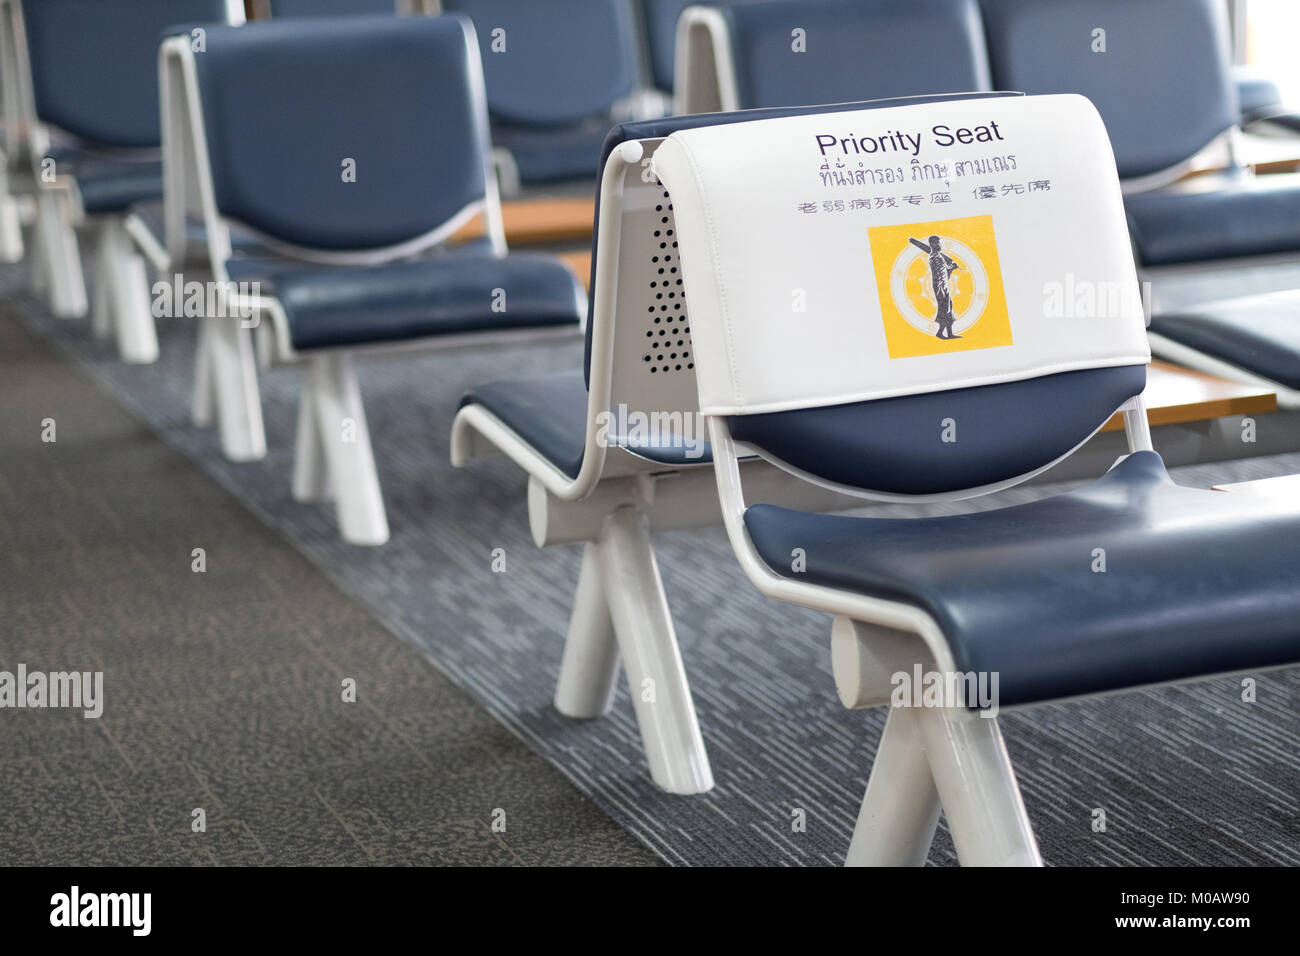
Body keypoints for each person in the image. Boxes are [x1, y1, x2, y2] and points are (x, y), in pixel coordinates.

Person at [908, 235, 961, 338]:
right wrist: (952, 268)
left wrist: (951, 267)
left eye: (939, 242)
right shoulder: (934, 257)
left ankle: (949, 333)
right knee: (944, 309)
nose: (940, 244)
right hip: (940, 286)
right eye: (937, 242)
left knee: (949, 306)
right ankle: (940, 333)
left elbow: (946, 273)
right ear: (932, 244)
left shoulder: (938, 256)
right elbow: (941, 275)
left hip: (943, 285)